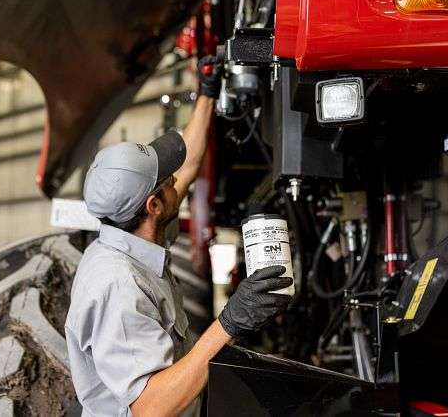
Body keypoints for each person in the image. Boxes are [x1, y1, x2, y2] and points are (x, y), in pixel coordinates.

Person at [65, 56, 293, 417]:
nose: (177, 181)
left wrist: (207, 92)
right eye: (167, 181)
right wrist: (230, 322)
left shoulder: (134, 232)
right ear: (154, 206)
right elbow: (153, 408)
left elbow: (187, 166)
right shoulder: (118, 284)